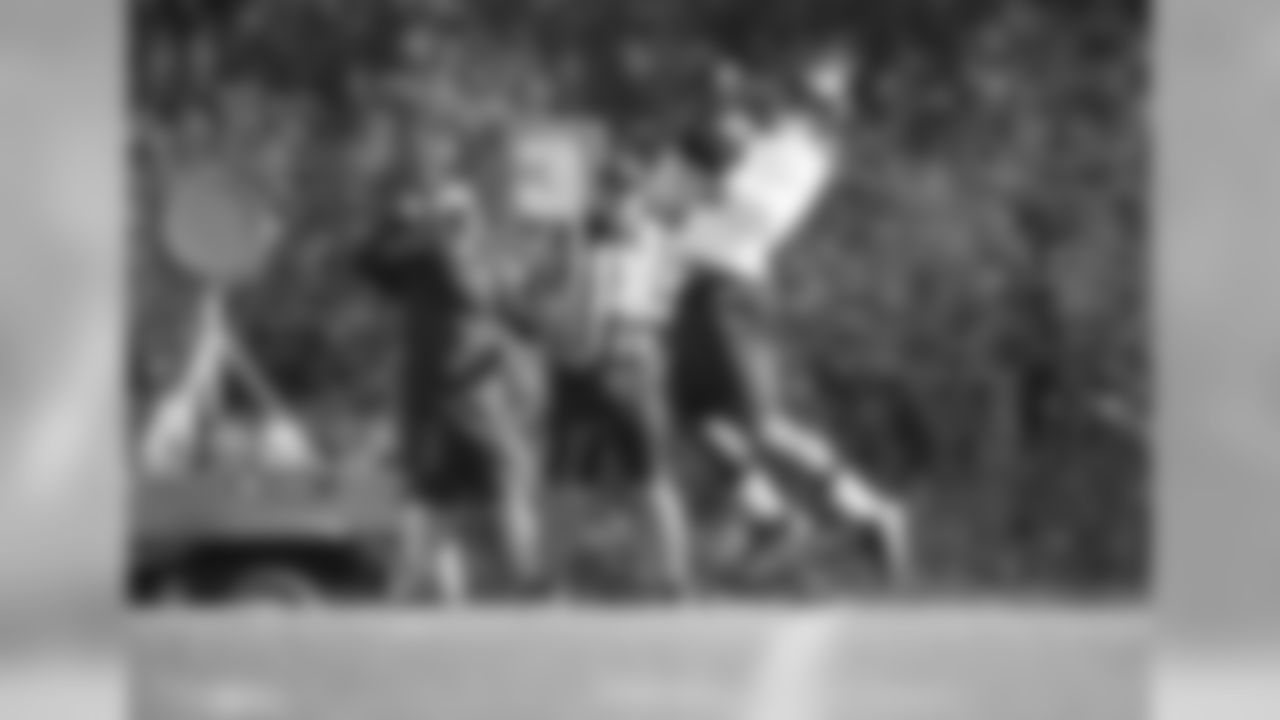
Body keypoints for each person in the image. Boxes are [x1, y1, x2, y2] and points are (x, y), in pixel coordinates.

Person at [669, 51, 913, 578]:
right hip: (698, 284)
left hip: (732, 287)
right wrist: (714, 128)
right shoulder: (772, 138)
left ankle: (870, 509)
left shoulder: (807, 155)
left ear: (831, 109)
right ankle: (769, 518)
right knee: (695, 420)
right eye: (800, 89)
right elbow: (700, 168)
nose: (796, 98)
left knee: (761, 425)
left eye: (812, 95)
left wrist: (720, 166)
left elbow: (763, 214)